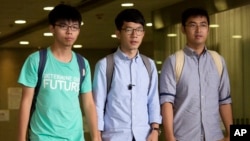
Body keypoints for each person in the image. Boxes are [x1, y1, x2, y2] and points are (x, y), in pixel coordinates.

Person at [17, 4, 100, 141]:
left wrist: (96, 137)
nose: (69, 32)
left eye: (74, 27)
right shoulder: (37, 60)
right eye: (63, 26)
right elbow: (26, 102)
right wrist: (20, 138)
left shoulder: (82, 63)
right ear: (52, 28)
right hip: (42, 136)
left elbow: (88, 103)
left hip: (75, 137)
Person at [160, 7, 233, 141]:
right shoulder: (174, 61)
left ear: (208, 29)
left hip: (215, 136)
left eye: (203, 25)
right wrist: (170, 137)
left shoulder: (218, 60)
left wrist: (231, 135)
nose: (199, 30)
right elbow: (166, 103)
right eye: (193, 25)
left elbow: (225, 101)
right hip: (183, 137)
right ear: (183, 29)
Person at [92, 8, 162, 141]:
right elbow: (98, 105)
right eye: (129, 30)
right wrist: (97, 136)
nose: (134, 35)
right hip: (114, 136)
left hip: (144, 136)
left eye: (139, 30)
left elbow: (153, 100)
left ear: (143, 33)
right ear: (118, 33)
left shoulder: (149, 65)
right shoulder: (105, 64)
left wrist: (155, 130)